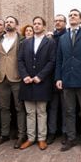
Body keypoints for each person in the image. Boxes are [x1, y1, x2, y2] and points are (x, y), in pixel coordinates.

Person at [55, 9, 81, 153]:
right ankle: (71, 139)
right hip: (67, 80)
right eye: (70, 15)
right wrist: (58, 78)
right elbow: (59, 59)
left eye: (75, 15)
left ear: (80, 19)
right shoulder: (63, 38)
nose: (72, 16)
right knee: (69, 111)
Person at [18, 16, 56, 150]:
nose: (36, 26)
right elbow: (20, 61)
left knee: (41, 112)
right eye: (35, 23)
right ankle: (30, 138)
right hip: (27, 82)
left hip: (42, 82)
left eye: (39, 24)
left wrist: (40, 76)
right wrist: (25, 76)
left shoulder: (50, 42)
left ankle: (41, 138)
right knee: (29, 112)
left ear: (44, 26)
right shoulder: (25, 43)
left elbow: (52, 61)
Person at [0, 15, 27, 149]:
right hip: (1, 78)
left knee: (19, 108)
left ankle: (21, 135)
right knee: (3, 108)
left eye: (11, 21)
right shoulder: (0, 40)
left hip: (17, 77)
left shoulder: (22, 40)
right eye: (6, 22)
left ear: (16, 25)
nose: (8, 23)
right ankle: (4, 134)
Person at [46, 14, 67, 145]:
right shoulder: (50, 38)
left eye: (60, 21)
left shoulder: (68, 37)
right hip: (52, 78)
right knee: (52, 107)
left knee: (66, 108)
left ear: (65, 23)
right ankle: (52, 132)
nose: (58, 23)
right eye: (56, 21)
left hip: (66, 78)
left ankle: (65, 132)